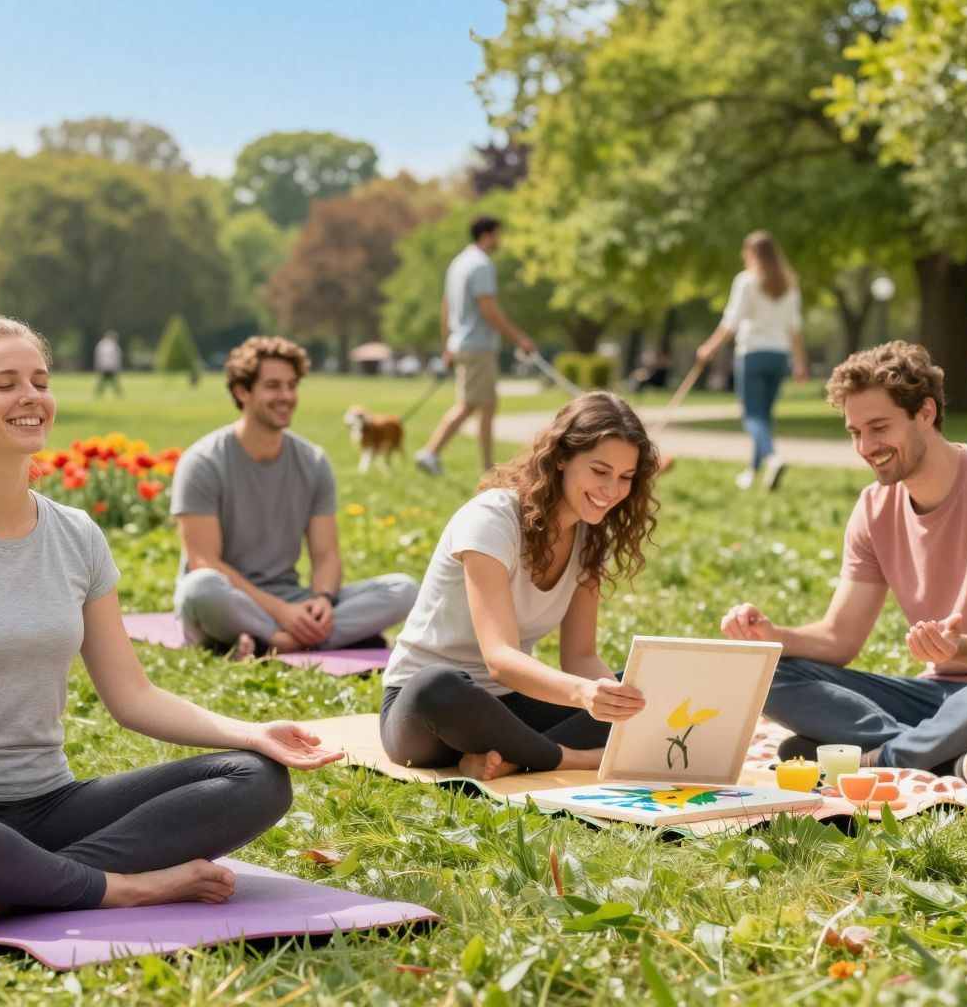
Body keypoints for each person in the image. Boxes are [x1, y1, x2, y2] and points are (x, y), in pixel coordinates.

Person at [0, 317, 341, 924]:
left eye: (39, 380)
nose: (31, 396)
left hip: (48, 807)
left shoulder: (77, 535)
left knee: (257, 779)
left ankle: (29, 883)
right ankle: (124, 886)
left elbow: (133, 695)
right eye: (5, 384)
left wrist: (249, 732)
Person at [720, 342, 967, 789]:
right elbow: (839, 638)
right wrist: (773, 637)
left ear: (926, 413)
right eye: (855, 432)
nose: (866, 446)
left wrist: (960, 648)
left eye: (879, 427)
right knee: (767, 671)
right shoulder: (874, 508)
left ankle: (878, 758)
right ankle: (948, 760)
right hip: (937, 700)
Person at [382, 391, 658, 780]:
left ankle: (510, 757)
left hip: (511, 706)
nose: (612, 490)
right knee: (438, 685)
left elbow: (579, 656)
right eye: (600, 471)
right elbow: (500, 659)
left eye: (625, 477)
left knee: (637, 691)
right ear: (561, 457)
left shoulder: (591, 538)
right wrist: (583, 695)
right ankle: (568, 758)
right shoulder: (492, 518)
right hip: (429, 713)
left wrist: (611, 697)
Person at [173, 336, 419, 656]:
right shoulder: (202, 462)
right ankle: (298, 639)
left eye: (292, 385)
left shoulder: (312, 461)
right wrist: (279, 612)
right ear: (241, 391)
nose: (286, 396)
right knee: (199, 587)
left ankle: (270, 643)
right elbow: (204, 560)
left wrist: (322, 601)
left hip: (291, 598)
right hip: (228, 597)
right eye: (273, 386)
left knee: (405, 589)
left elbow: (326, 554)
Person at [414, 215, 536, 477]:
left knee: (484, 404)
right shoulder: (481, 264)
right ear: (487, 235)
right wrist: (519, 338)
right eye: (498, 235)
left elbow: (446, 306)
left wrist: (447, 343)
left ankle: (486, 464)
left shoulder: (458, 263)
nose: (499, 240)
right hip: (477, 345)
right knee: (472, 405)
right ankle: (433, 452)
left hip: (462, 342)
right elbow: (488, 308)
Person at [695, 230, 807, 492]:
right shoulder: (790, 283)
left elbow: (731, 321)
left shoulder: (747, 281)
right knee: (764, 417)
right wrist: (800, 363)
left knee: (751, 416)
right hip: (779, 356)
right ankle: (752, 472)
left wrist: (709, 348)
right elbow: (795, 328)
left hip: (752, 354)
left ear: (751, 254)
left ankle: (772, 457)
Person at [93, 331, 123, 397]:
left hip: (106, 366)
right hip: (109, 366)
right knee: (111, 381)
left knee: (105, 381)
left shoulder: (101, 344)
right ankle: (118, 394)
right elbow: (117, 357)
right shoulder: (113, 345)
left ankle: (98, 394)